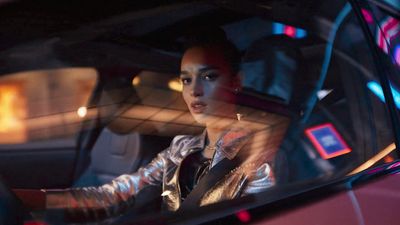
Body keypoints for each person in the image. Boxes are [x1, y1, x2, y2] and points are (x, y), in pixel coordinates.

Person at [16, 29, 285, 220]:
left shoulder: (258, 156)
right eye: (186, 80)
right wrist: (28, 199)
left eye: (209, 76)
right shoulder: (182, 148)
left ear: (236, 81)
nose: (195, 91)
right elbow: (116, 196)